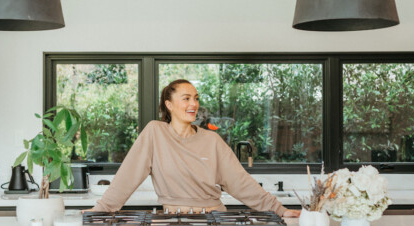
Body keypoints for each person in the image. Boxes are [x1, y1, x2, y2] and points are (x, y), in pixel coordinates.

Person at [91, 79, 300, 217]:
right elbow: (127, 176)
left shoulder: (212, 141)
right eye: (186, 99)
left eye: (196, 98)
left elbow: (241, 183)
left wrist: (279, 209)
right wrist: (99, 210)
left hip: (213, 220)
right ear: (169, 105)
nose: (194, 104)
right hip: (173, 223)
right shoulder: (155, 133)